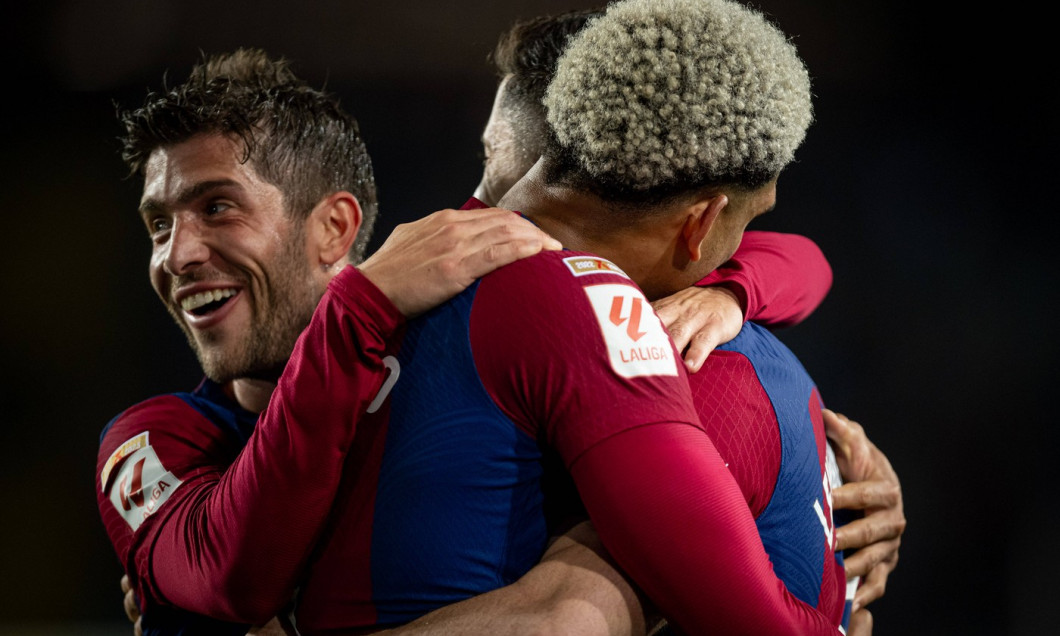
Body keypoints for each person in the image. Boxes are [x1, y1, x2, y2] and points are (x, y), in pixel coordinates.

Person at [99, 45, 838, 636]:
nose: (177, 253)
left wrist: (732, 291)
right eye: (158, 225)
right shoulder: (156, 443)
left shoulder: (462, 334)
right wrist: (353, 314)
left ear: (334, 228)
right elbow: (230, 577)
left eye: (216, 208)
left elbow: (785, 251)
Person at [471, 6, 905, 632]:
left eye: (499, 163)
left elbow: (806, 261)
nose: (488, 200)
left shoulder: (679, 333)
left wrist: (732, 293)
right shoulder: (428, 279)